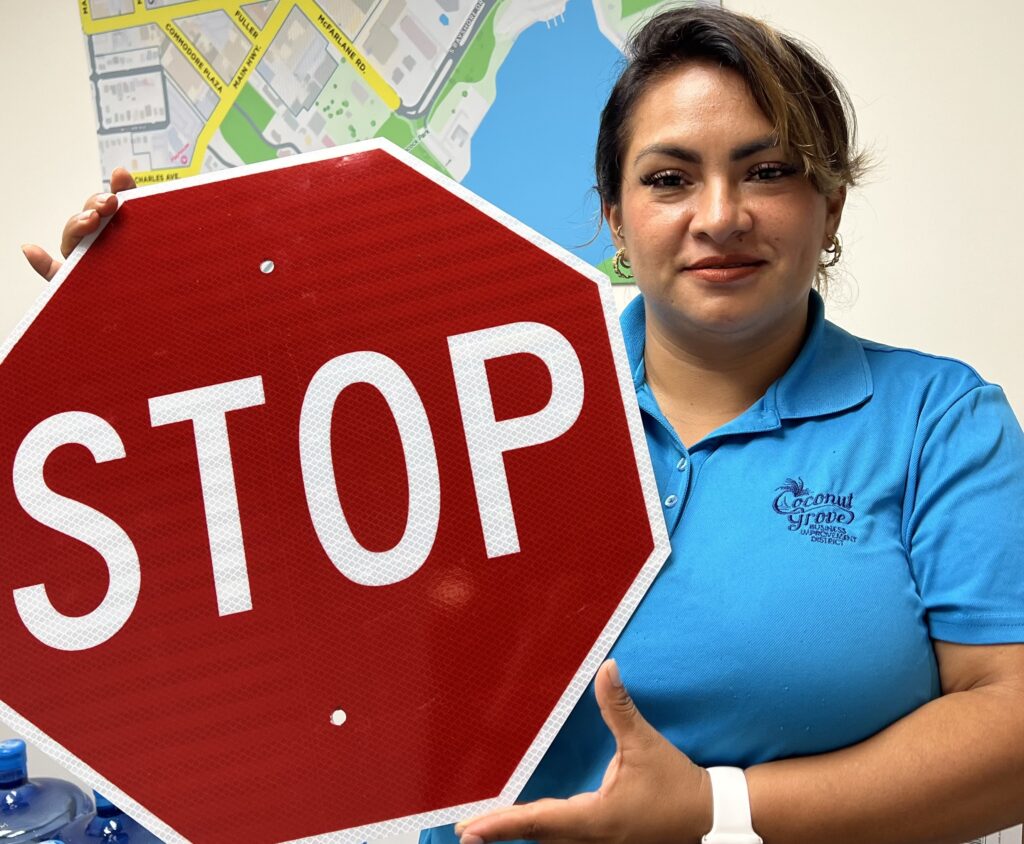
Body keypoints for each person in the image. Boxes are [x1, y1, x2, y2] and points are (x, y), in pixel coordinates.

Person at [23, 7, 1024, 844]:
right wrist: (130, 340)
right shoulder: (478, 395)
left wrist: (717, 810)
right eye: (669, 178)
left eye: (766, 171)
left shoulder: (938, 421)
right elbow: (244, 536)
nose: (719, 214)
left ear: (831, 202)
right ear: (614, 217)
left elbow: (1012, 733)